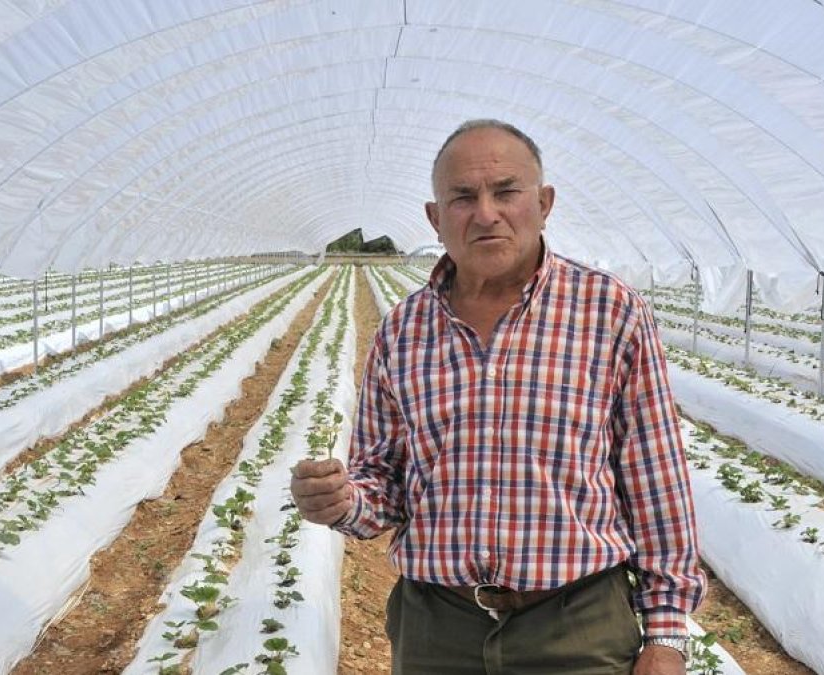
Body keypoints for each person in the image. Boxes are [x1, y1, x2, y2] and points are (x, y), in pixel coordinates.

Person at [290, 119, 705, 675]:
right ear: (436, 219)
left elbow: (655, 477)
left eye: (505, 191)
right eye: (462, 197)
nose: (486, 213)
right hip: (437, 627)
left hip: (576, 625)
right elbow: (383, 482)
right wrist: (342, 502)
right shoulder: (402, 331)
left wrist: (667, 634)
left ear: (543, 202)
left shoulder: (609, 313)